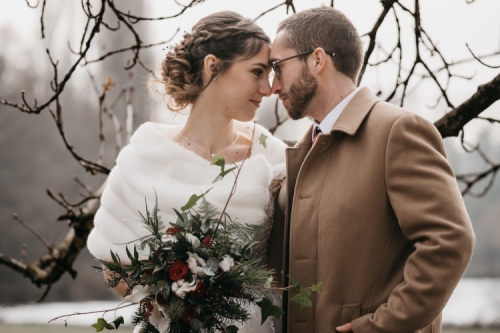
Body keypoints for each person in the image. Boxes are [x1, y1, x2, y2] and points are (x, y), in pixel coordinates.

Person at [266, 6, 475, 333]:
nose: (273, 85)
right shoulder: (302, 151)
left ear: (317, 60)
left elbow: (451, 241)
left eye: (278, 67)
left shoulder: (398, 131)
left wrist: (381, 327)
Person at [87, 11, 286, 333]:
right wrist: (178, 299)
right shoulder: (144, 156)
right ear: (213, 67)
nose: (268, 88)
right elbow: (114, 269)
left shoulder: (271, 154)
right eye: (257, 72)